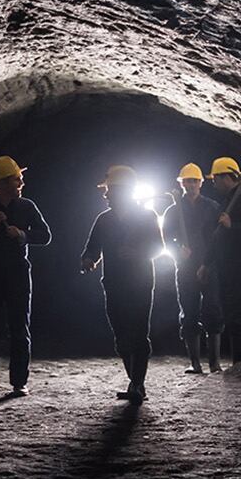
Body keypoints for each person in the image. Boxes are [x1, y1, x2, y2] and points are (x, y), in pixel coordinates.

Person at [0, 155, 51, 400]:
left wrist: (22, 234)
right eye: (17, 179)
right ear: (2, 183)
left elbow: (45, 235)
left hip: (17, 273)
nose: (21, 183)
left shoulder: (26, 207)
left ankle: (19, 382)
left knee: (19, 327)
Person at [80, 165, 164, 402]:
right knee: (121, 336)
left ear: (123, 191)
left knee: (138, 333)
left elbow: (159, 248)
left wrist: (137, 253)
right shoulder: (104, 220)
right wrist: (88, 259)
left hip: (140, 283)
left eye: (110, 191)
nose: (106, 195)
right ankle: (134, 383)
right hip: (114, 284)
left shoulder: (147, 217)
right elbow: (93, 247)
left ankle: (137, 384)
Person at [162, 162, 224, 374]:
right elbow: (166, 238)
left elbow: (219, 237)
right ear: (181, 183)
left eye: (194, 181)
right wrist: (177, 249)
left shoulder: (212, 207)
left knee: (213, 309)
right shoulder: (173, 210)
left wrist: (208, 262)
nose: (190, 184)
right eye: (186, 181)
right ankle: (195, 363)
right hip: (185, 266)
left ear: (201, 183)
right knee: (189, 311)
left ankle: (214, 363)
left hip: (209, 265)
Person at [205, 155, 241, 372]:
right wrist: (207, 263)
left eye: (216, 179)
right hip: (227, 265)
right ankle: (238, 361)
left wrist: (233, 225)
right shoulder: (229, 200)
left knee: (240, 310)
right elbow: (217, 237)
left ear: (226, 177)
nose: (214, 183)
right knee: (230, 311)